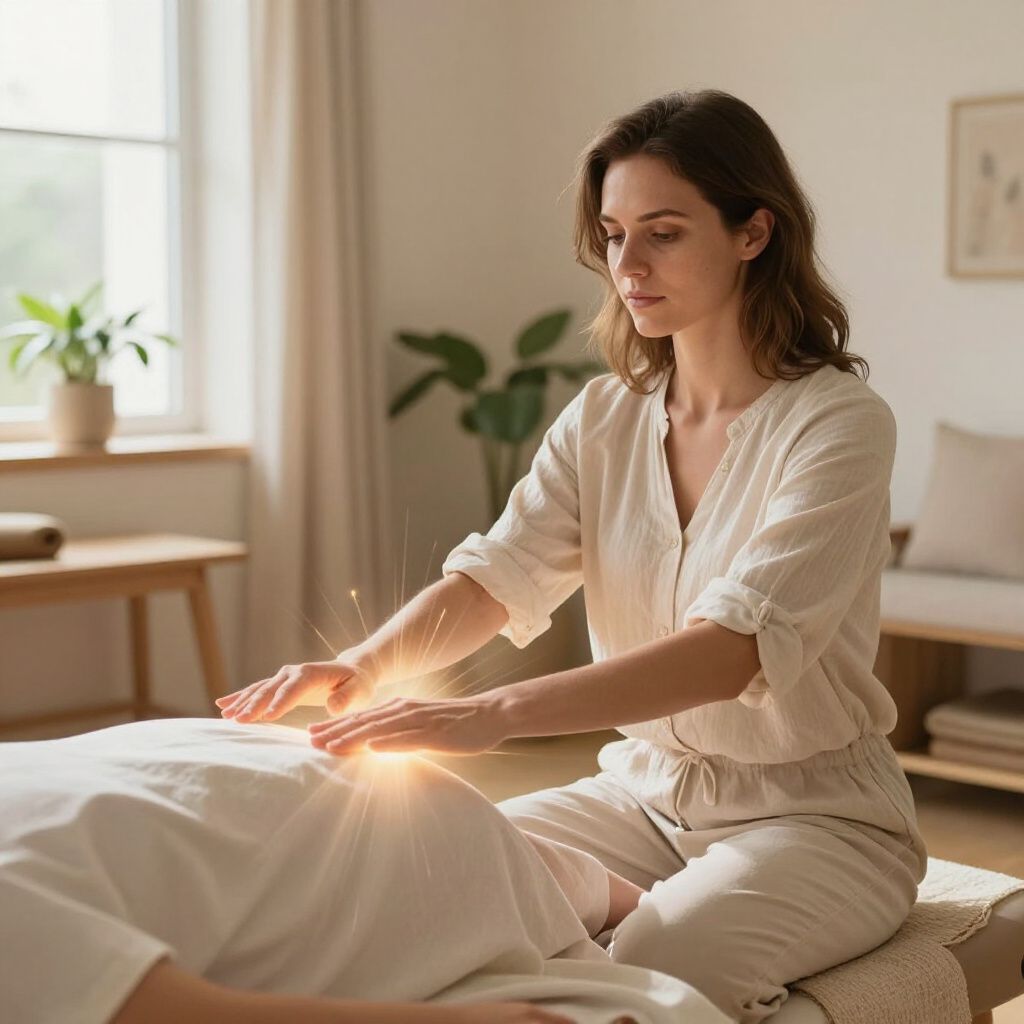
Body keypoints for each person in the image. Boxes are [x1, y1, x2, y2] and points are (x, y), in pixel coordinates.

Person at [218, 89, 929, 1024]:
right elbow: (498, 573)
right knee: (423, 879)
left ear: (754, 232)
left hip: (819, 818)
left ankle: (638, 928)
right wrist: (361, 664)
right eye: (614, 234)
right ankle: (616, 915)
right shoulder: (602, 418)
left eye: (663, 234)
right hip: (639, 797)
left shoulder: (839, 424)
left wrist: (489, 715)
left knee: (667, 955)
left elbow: (733, 651)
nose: (627, 266)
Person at [3, 715, 721, 1024]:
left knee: (613, 907)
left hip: (357, 819)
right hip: (271, 787)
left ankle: (631, 900)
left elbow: (171, 1013)